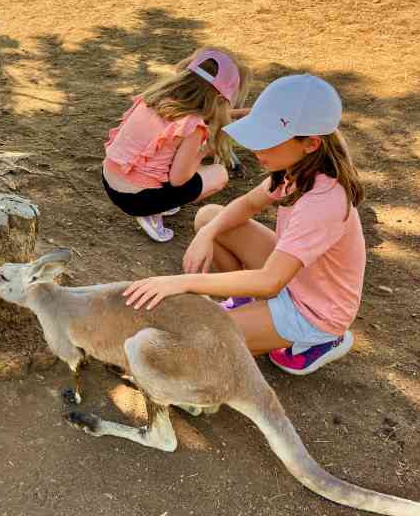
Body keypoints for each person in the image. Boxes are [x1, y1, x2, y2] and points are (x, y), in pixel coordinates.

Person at [123, 74, 366, 375]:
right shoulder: (299, 168)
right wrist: (207, 234)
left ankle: (321, 339)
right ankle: (246, 305)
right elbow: (249, 204)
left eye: (267, 142)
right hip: (296, 278)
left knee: (202, 340)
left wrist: (180, 282)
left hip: (313, 310)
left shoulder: (323, 200)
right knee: (209, 217)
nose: (257, 151)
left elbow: (269, 281)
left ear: (311, 143)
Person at [102, 47, 251, 242]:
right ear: (220, 98)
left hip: (109, 179)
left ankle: (160, 203)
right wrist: (205, 150)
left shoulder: (154, 98)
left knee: (170, 154)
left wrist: (239, 114)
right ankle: (153, 212)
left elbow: (195, 119)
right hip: (135, 200)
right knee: (218, 173)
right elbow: (179, 180)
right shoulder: (193, 125)